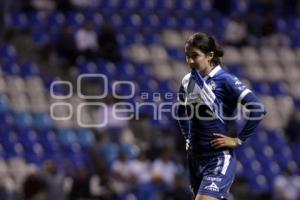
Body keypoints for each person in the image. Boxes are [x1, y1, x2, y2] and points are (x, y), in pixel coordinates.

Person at [176, 32, 266, 200]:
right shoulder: (187, 81)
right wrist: (187, 136)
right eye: (187, 56)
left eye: (194, 56)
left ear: (210, 55)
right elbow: (181, 111)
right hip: (195, 157)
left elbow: (258, 109)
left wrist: (238, 140)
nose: (189, 61)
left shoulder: (226, 80)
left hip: (217, 157)